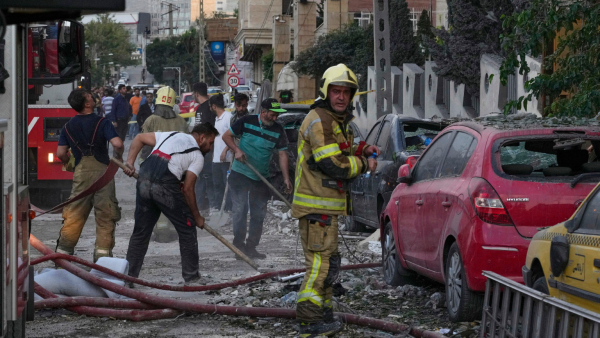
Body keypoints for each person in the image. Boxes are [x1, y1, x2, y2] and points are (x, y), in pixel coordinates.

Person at [291, 64, 379, 337]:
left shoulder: (334, 121)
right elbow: (332, 163)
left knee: (329, 262)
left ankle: (324, 313)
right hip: (316, 206)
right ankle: (309, 320)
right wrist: (365, 163)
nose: (341, 96)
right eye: (336, 91)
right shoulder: (319, 120)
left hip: (325, 208)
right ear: (326, 91)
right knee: (319, 264)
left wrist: (362, 147)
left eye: (346, 92)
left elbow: (342, 145)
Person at [122, 123, 218, 284]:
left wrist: (130, 162)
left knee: (140, 233)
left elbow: (139, 138)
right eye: (211, 143)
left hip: (144, 181)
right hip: (164, 187)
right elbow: (188, 189)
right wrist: (196, 217)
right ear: (202, 138)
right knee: (187, 229)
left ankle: (128, 278)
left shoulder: (171, 134)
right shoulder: (197, 156)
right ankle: (191, 277)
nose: (210, 147)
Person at [55, 89, 124, 262]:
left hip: (81, 175)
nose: (93, 98)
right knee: (106, 215)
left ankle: (62, 258)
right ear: (87, 104)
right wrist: (119, 157)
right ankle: (102, 260)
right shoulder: (103, 122)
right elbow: (117, 143)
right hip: (104, 177)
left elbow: (60, 153)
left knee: (74, 215)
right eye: (89, 97)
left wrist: (69, 162)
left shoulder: (68, 126)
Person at [221, 98, 291, 259]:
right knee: (239, 211)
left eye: (276, 116)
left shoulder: (278, 130)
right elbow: (226, 136)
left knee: (258, 214)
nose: (275, 118)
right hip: (240, 174)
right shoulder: (247, 121)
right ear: (264, 112)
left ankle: (251, 246)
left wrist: (286, 178)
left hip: (261, 178)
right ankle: (239, 247)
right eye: (272, 115)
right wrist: (236, 150)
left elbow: (282, 154)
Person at [139, 86, 188, 160]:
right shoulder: (182, 121)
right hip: (178, 162)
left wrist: (143, 163)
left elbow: (146, 146)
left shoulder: (151, 120)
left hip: (156, 162)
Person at [191, 82, 216, 215]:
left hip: (207, 152)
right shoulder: (202, 108)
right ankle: (201, 208)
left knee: (206, 179)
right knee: (200, 180)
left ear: (196, 94)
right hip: (200, 151)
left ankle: (210, 209)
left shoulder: (208, 108)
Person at [209, 94, 232, 211]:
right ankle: (219, 209)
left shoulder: (228, 117)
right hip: (216, 159)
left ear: (214, 106)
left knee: (227, 185)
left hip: (226, 159)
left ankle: (228, 209)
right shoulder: (216, 119)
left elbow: (233, 136)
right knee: (217, 185)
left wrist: (225, 150)